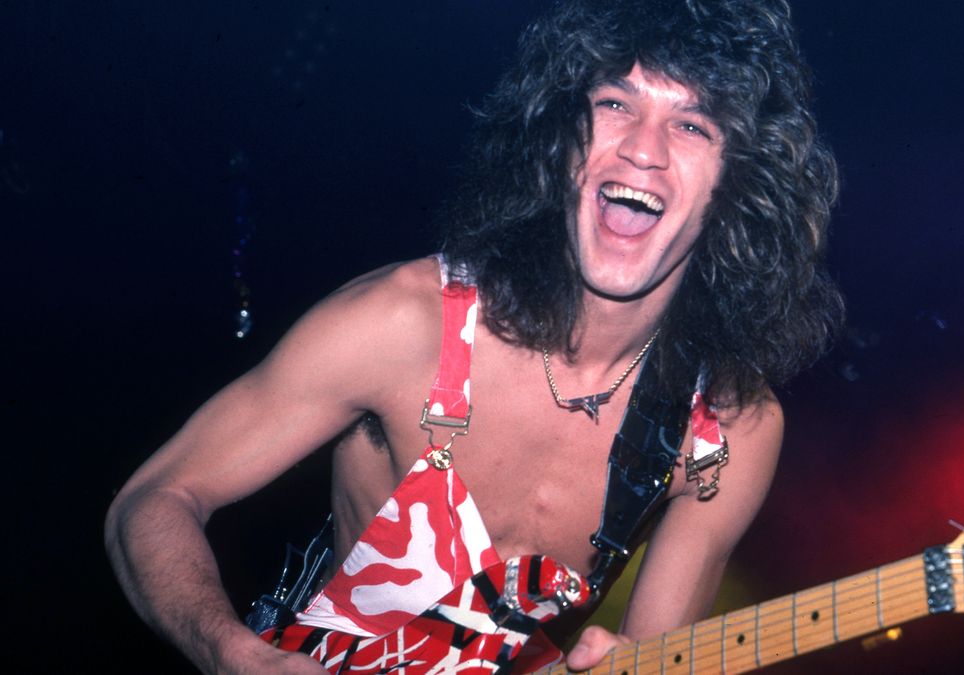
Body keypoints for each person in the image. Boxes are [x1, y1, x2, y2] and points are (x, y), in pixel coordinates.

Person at [105, 0, 843, 672]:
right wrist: (234, 654)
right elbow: (154, 496)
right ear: (559, 144)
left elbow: (648, 655)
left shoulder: (725, 431)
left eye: (692, 124)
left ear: (736, 187)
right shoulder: (405, 324)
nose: (643, 150)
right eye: (615, 103)